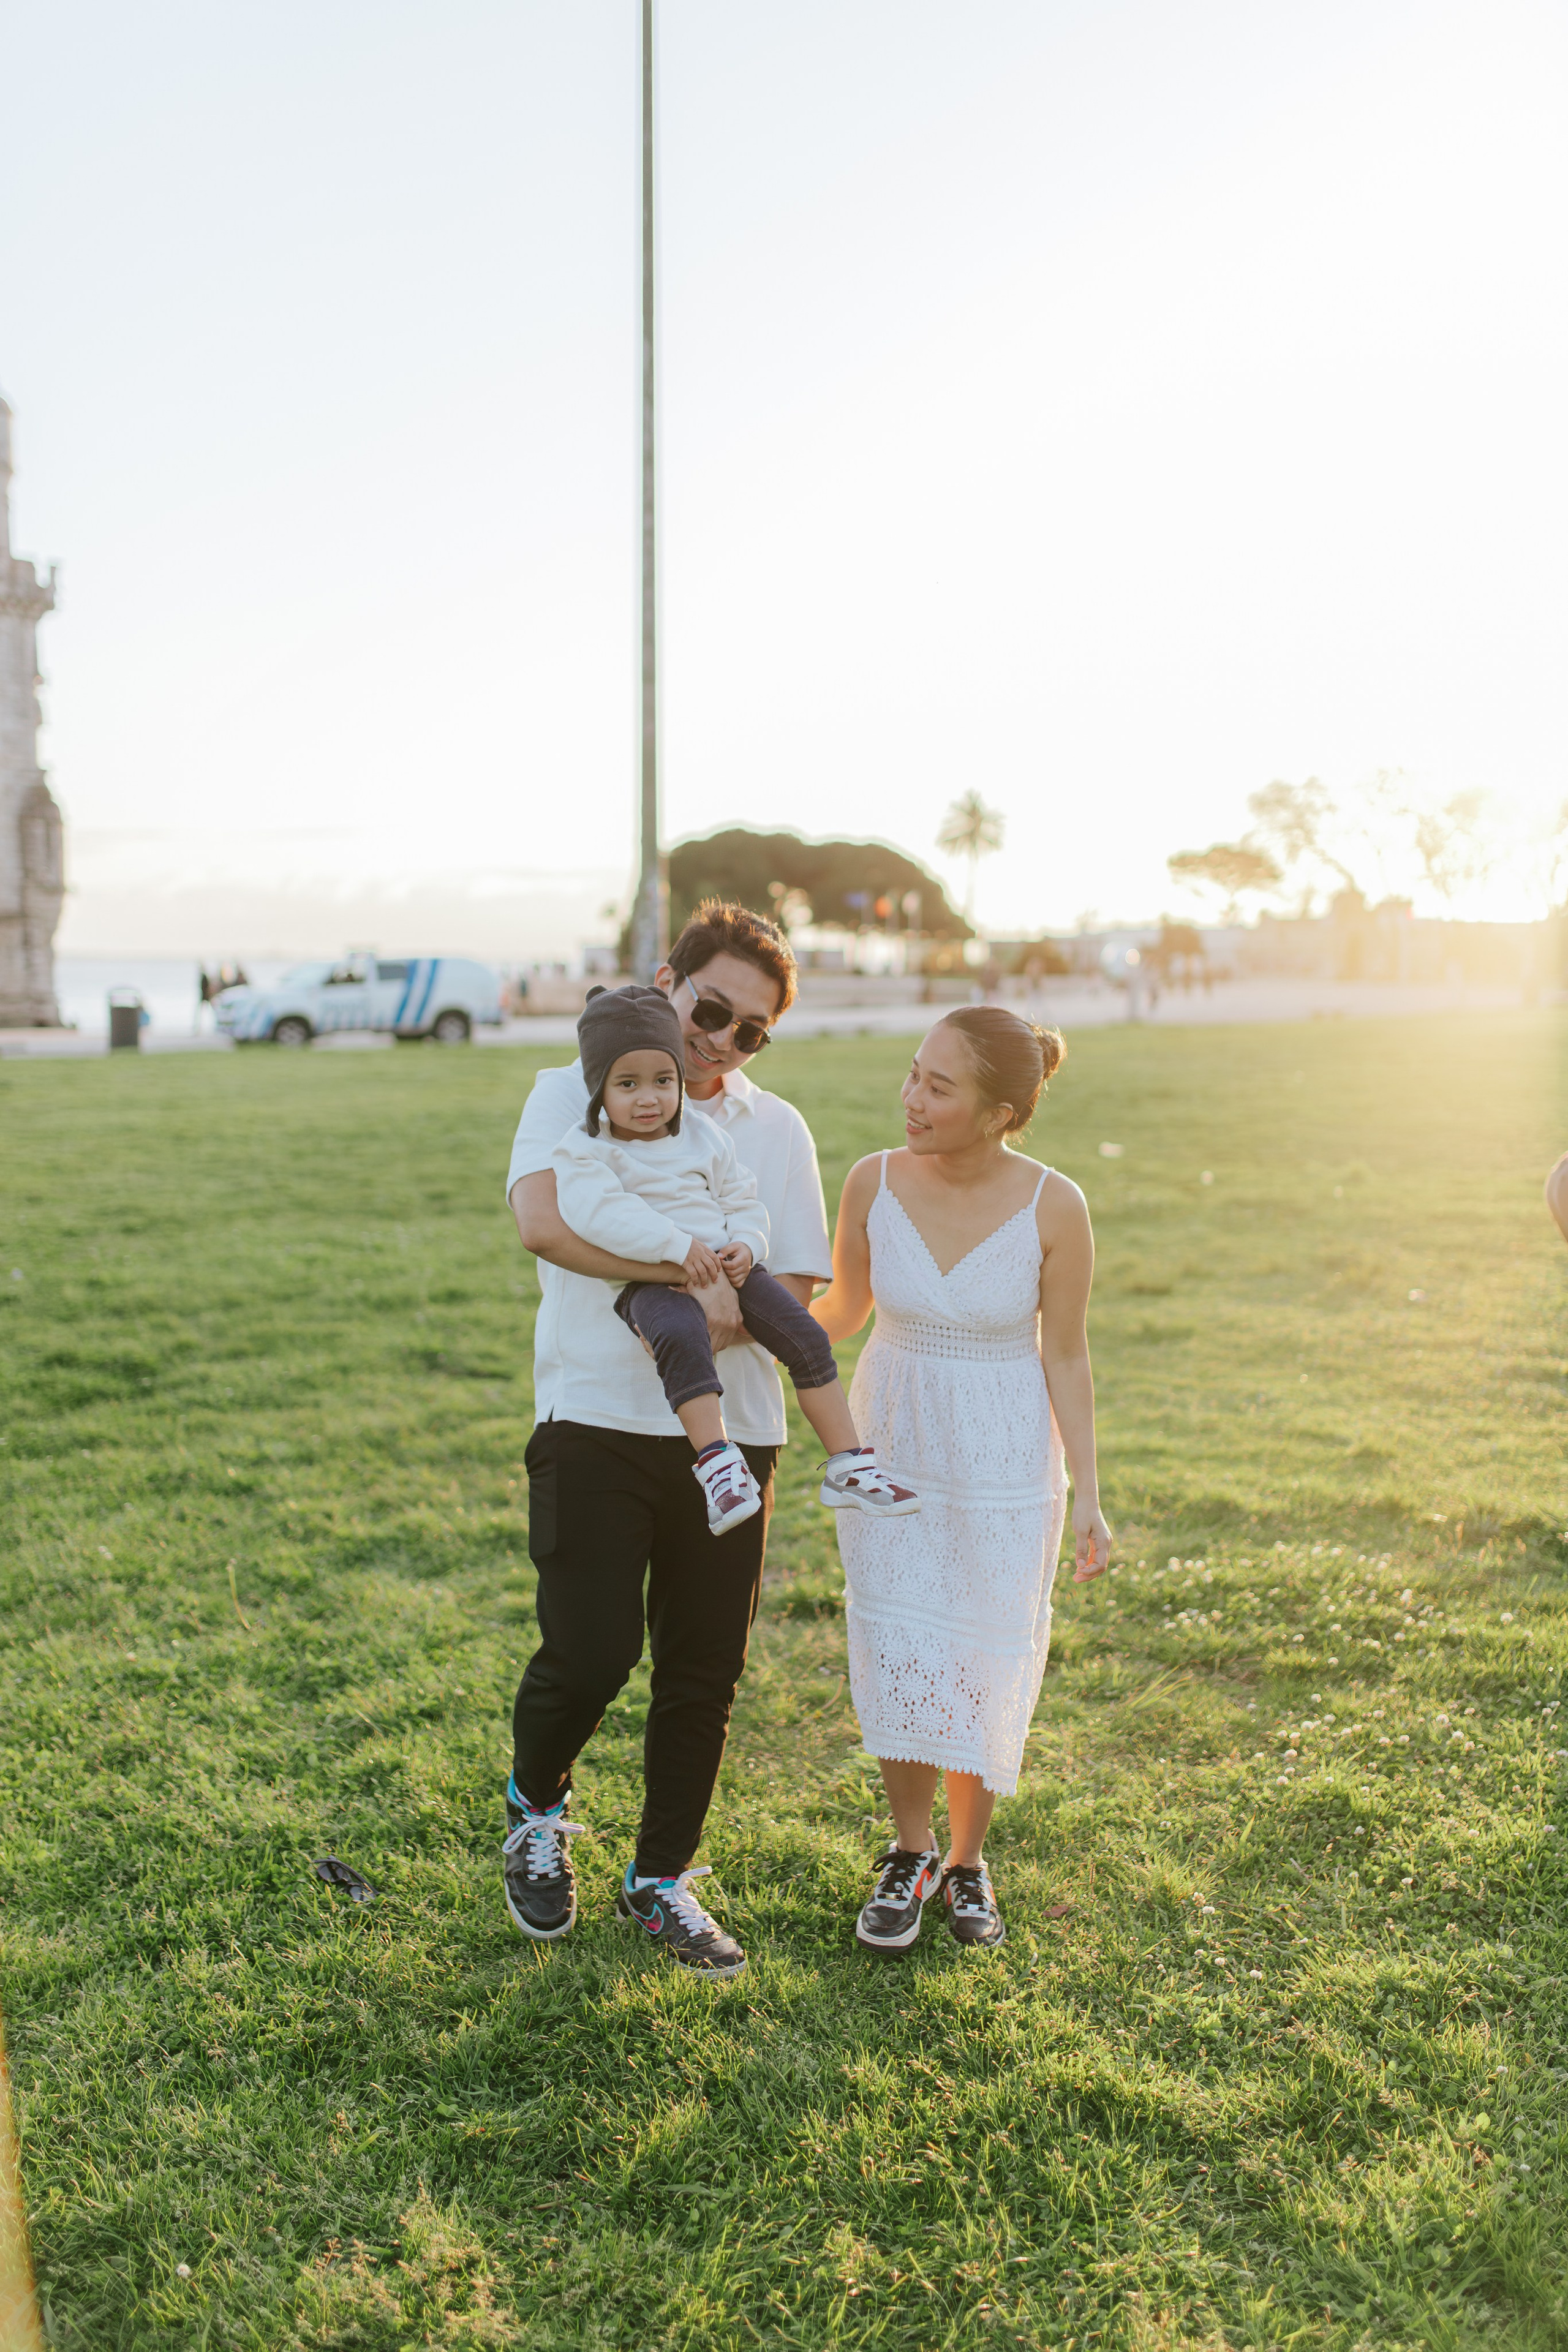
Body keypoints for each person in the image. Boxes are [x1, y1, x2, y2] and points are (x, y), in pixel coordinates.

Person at [502, 902, 834, 1979]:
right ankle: (536, 1805)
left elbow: (803, 1290)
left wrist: (677, 1276)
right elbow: (546, 1226)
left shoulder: (773, 1130)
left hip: (735, 1429)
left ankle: (661, 1880)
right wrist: (697, 1267)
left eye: (752, 1031)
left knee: (704, 1671)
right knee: (590, 1651)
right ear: (668, 979)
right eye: (712, 1009)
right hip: (592, 1417)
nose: (723, 1042)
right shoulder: (571, 1089)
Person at [811, 1006, 1112, 1954]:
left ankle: (968, 1862)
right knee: (900, 1638)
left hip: (1005, 1461)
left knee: (982, 1654)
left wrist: (1092, 1495)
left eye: (939, 1087)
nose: (912, 1098)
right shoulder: (872, 1181)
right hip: (892, 1441)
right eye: (913, 1074)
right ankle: (910, 1849)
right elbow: (844, 1310)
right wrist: (747, 1315)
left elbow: (1066, 1356)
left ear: (999, 1113)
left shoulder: (1054, 1205)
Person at [552, 981, 918, 1535]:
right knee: (680, 1338)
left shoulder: (703, 1135)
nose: (648, 1098)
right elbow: (600, 1217)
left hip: (729, 1266)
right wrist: (680, 1253)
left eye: (663, 1081)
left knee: (806, 1335)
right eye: (627, 1084)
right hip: (651, 1283)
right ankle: (719, 1463)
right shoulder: (587, 1149)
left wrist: (748, 1243)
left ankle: (848, 1461)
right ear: (597, 1089)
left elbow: (741, 1197)